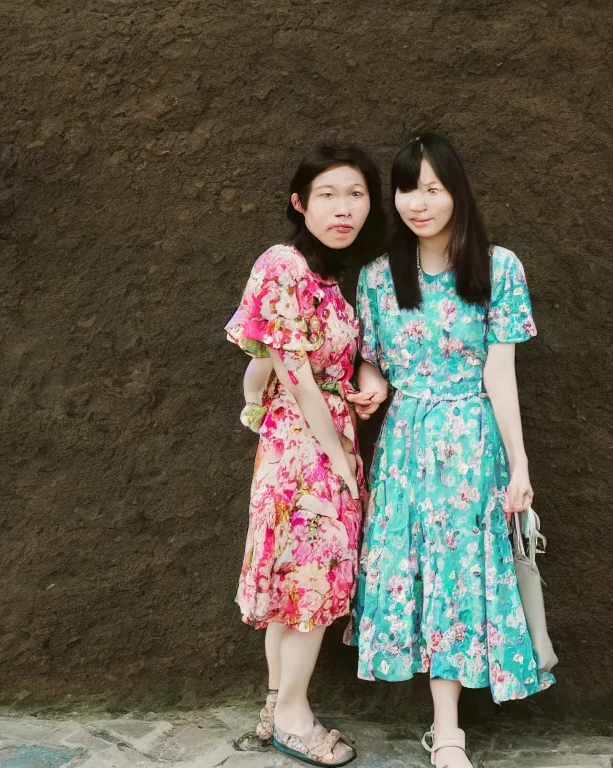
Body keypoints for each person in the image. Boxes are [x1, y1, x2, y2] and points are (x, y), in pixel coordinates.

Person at [346, 133, 555, 768]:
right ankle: (444, 727)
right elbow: (369, 361)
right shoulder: (379, 276)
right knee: (418, 575)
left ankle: (449, 732)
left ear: (456, 192)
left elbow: (500, 374)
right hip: (406, 446)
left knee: (461, 578)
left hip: (470, 446)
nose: (419, 201)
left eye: (433, 188)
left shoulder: (499, 267)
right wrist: (371, 382)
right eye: (408, 188)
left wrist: (519, 465)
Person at [225, 144, 385, 766]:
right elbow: (287, 371)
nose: (343, 208)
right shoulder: (282, 263)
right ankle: (293, 716)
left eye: (356, 195)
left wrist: (363, 388)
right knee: (310, 585)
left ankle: (276, 703)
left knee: (298, 584)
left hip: (315, 440)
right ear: (299, 203)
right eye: (327, 194)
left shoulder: (327, 281)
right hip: (305, 452)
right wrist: (339, 459)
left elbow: (274, 366)